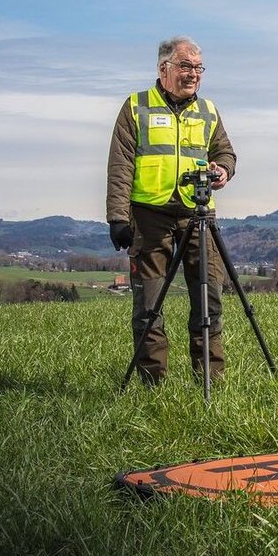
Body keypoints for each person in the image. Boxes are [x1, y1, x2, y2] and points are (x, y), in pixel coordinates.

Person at [106, 36, 236, 385]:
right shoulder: (136, 106)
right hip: (150, 215)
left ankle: (211, 381)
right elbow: (120, 165)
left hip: (200, 215)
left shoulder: (207, 110)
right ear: (163, 69)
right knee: (149, 303)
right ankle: (154, 385)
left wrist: (223, 169)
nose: (193, 74)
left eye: (197, 68)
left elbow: (225, 152)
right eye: (185, 66)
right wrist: (118, 218)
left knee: (209, 299)